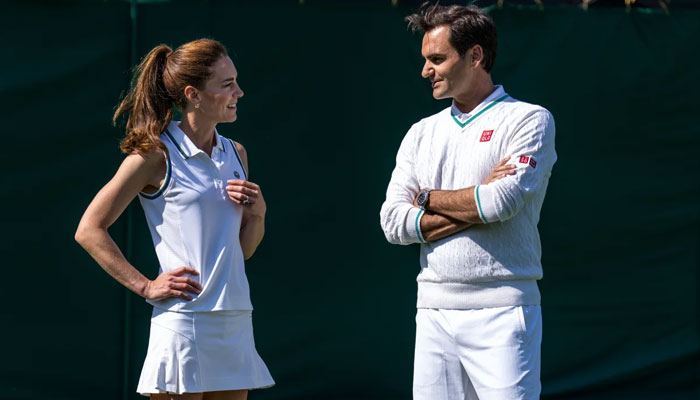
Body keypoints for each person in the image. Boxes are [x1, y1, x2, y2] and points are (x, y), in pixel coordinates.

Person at [75, 39, 274, 400]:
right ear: (193, 94)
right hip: (184, 322)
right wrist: (146, 286)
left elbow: (241, 252)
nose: (239, 92)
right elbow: (89, 230)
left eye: (237, 81)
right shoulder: (154, 157)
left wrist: (257, 215)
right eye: (227, 84)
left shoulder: (237, 153)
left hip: (234, 319)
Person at [379, 4, 556, 400]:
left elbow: (502, 203)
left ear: (475, 56)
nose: (426, 70)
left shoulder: (530, 119)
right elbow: (392, 223)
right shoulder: (420, 133)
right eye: (426, 60)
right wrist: (475, 201)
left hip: (505, 313)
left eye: (437, 59)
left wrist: (425, 200)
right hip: (433, 313)